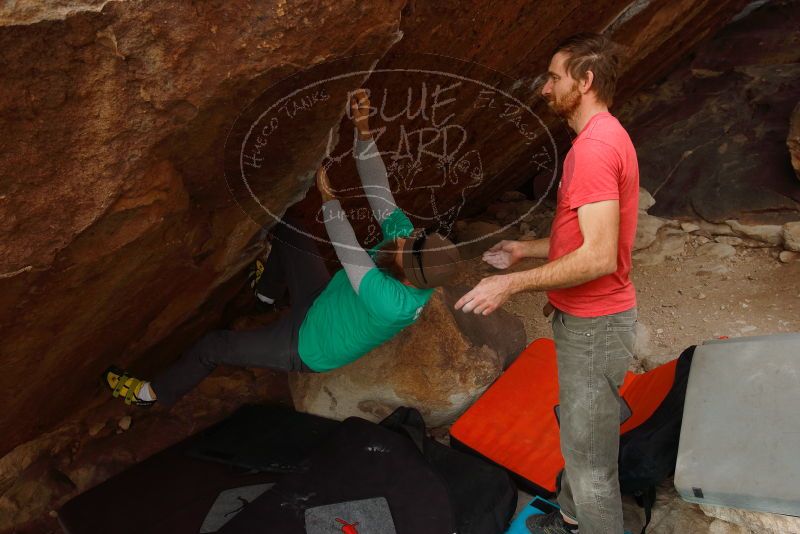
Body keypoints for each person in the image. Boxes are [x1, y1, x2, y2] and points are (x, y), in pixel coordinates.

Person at [104, 89, 459, 408]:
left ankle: (150, 395)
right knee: (289, 228)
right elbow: (379, 191)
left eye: (403, 246)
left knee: (214, 346)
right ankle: (266, 298)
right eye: (408, 237)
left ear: (409, 280)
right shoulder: (409, 251)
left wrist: (329, 197)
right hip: (323, 301)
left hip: (306, 344)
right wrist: (363, 128)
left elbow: (346, 247)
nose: (400, 237)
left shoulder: (392, 303)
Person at [455, 33, 639, 534]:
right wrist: (526, 248)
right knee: (580, 441)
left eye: (555, 77)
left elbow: (599, 257)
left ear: (586, 81)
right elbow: (590, 238)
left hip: (595, 326)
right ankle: (573, 519)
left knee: (591, 464)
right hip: (591, 323)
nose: (544, 88)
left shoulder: (595, 151)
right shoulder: (603, 137)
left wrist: (511, 284)